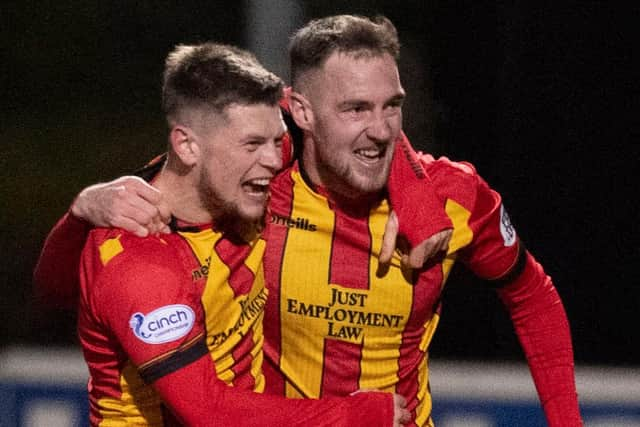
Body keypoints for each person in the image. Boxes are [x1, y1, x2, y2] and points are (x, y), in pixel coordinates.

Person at [34, 15, 582, 427]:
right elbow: (186, 175)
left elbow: (531, 292)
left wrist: (566, 422)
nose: (381, 128)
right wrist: (84, 209)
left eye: (392, 107)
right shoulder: (257, 192)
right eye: (353, 109)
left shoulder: (453, 198)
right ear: (301, 113)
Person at [69, 41, 410, 426]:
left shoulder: (237, 179)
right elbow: (207, 411)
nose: (274, 158)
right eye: (253, 144)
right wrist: (352, 415)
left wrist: (414, 194)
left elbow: (364, 119)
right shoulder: (139, 261)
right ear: (187, 146)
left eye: (275, 140)